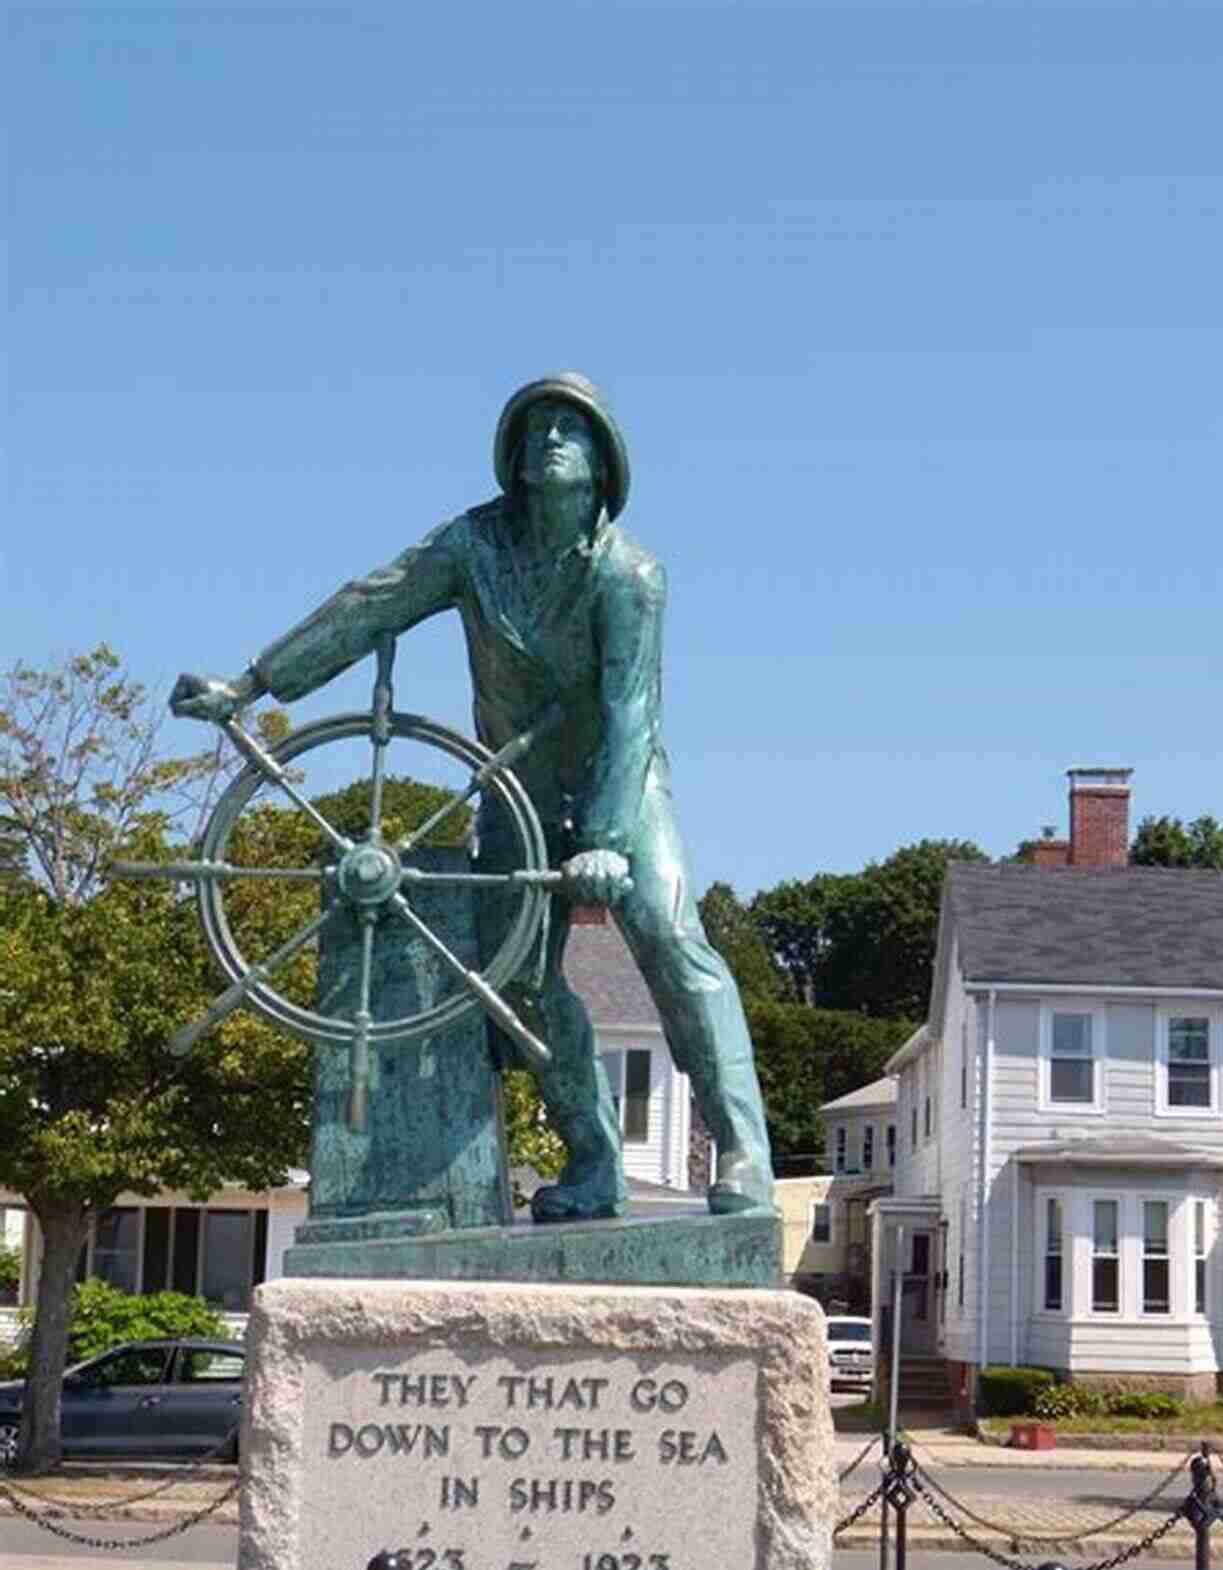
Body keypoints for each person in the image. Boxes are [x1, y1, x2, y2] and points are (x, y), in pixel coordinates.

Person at [171, 373, 773, 1222]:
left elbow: (631, 709)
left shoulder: (630, 575)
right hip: (513, 788)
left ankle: (744, 1153)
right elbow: (369, 603)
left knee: (673, 940)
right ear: (516, 463)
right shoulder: (472, 547)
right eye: (537, 429)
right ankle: (595, 1162)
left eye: (572, 428)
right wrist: (255, 684)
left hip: (621, 785)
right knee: (513, 982)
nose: (551, 439)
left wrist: (603, 837)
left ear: (603, 466)